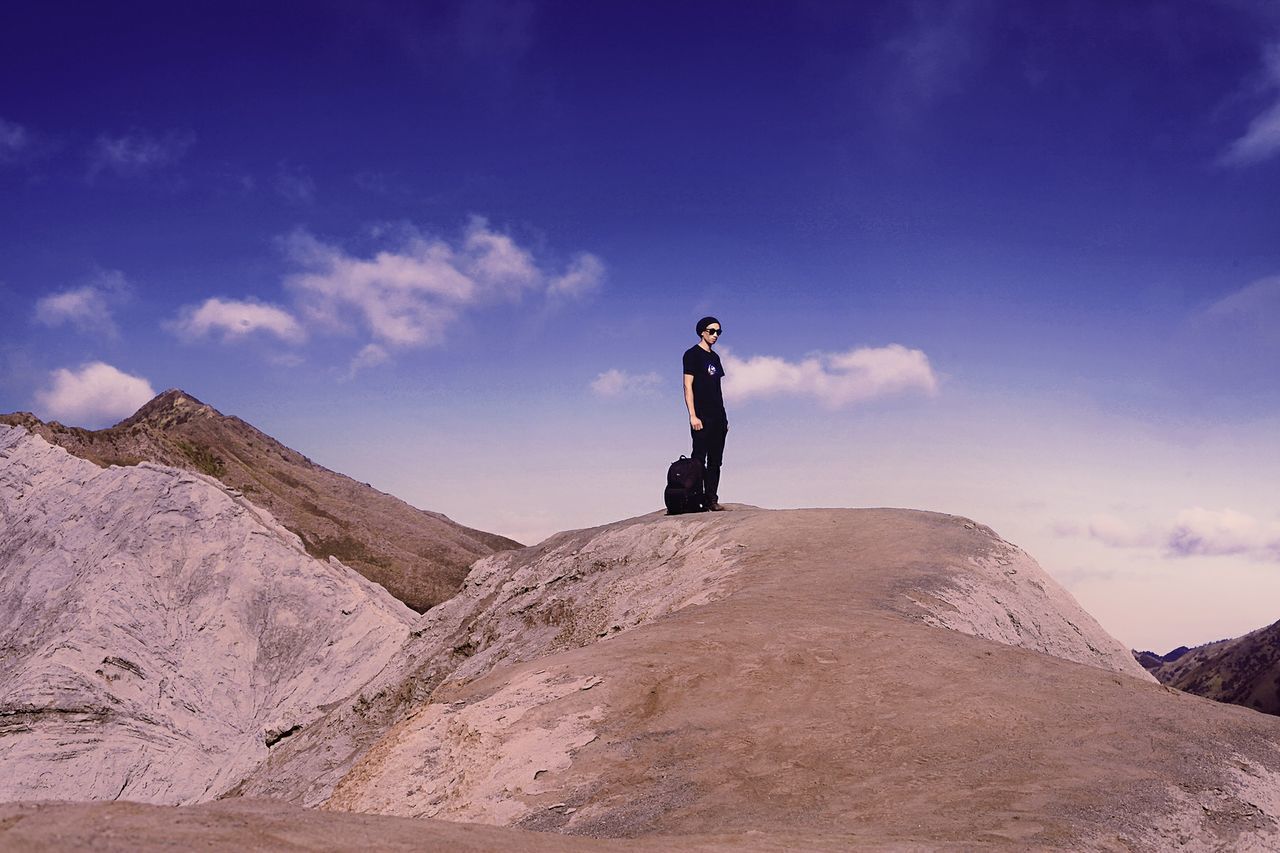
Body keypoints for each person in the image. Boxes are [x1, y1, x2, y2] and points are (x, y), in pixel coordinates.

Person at [683, 316, 728, 511]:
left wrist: (724, 418)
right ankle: (696, 499)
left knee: (716, 461)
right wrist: (693, 415)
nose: (715, 335)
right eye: (712, 331)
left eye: (718, 331)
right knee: (699, 459)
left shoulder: (715, 358)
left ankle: (712, 499)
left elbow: (717, 389)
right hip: (701, 416)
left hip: (718, 416)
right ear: (702, 332)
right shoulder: (692, 354)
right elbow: (687, 386)